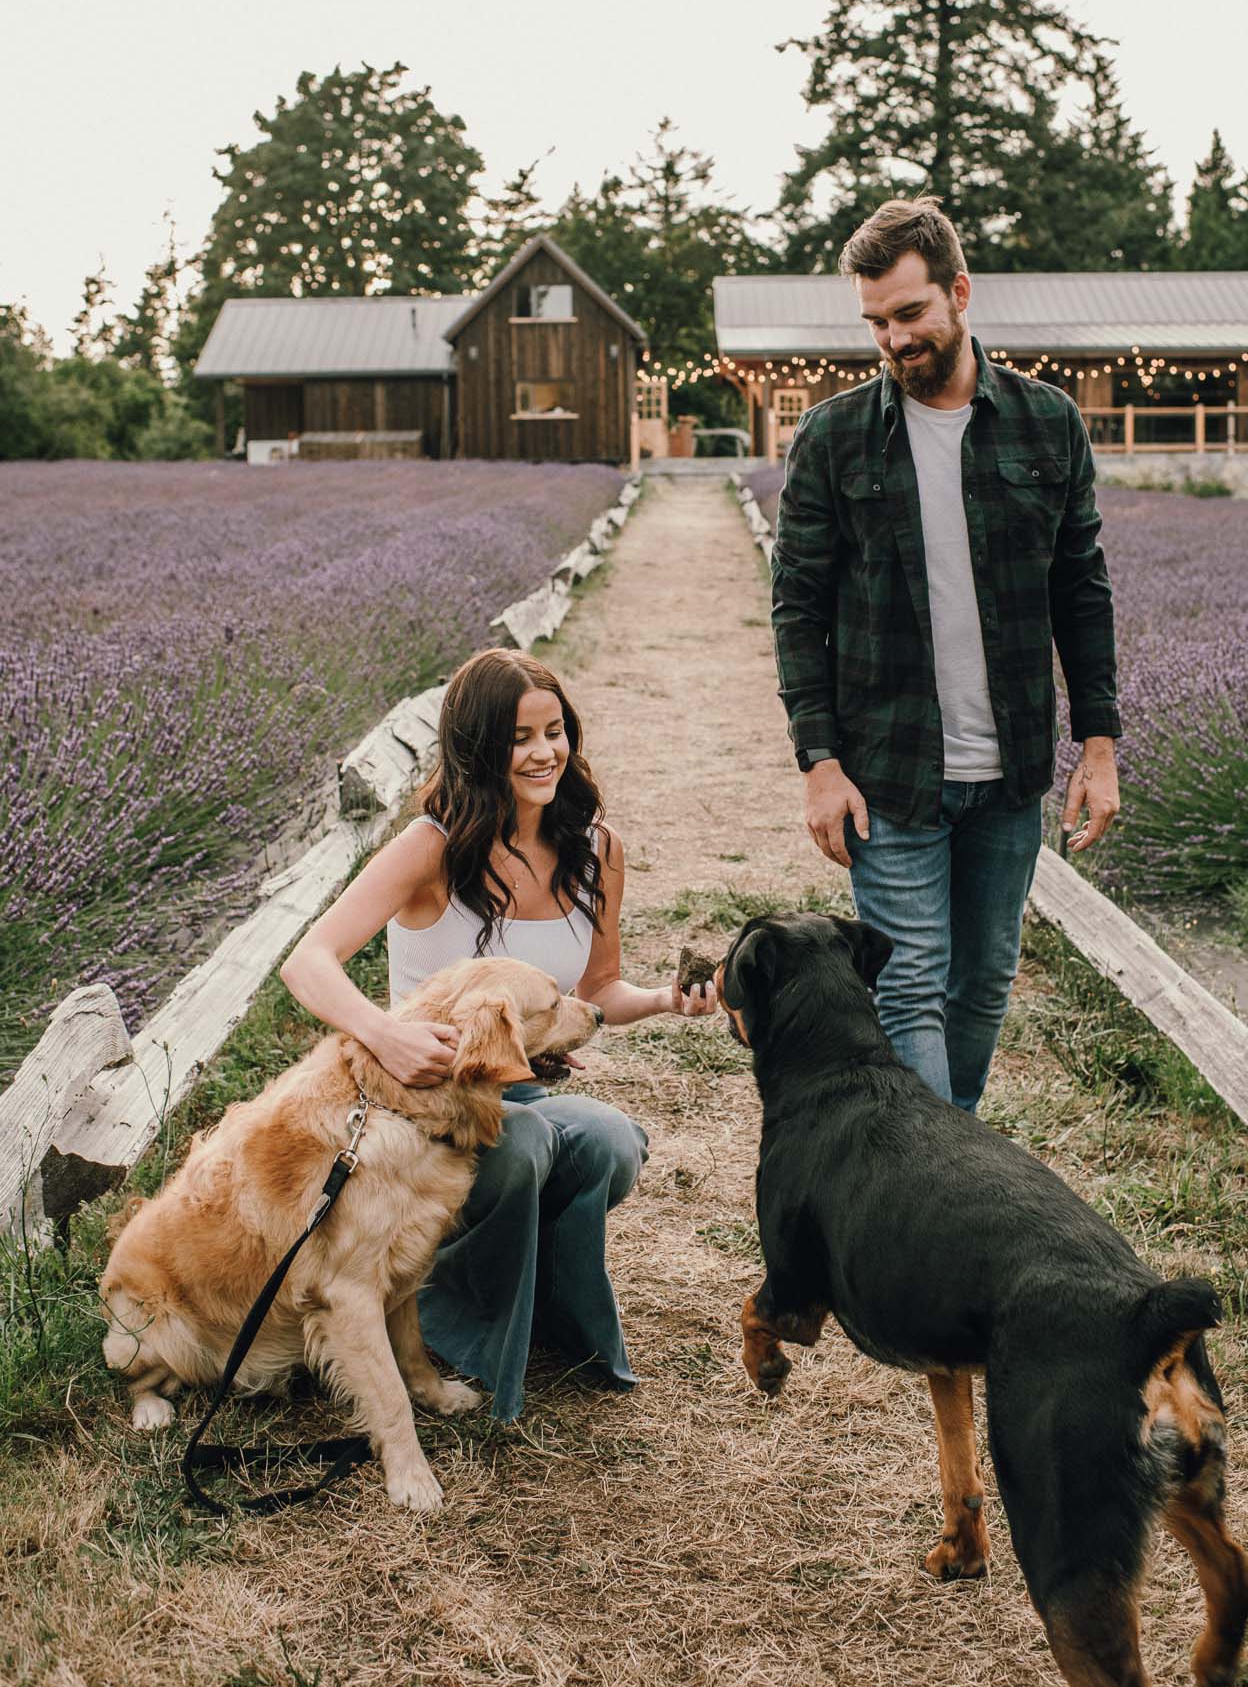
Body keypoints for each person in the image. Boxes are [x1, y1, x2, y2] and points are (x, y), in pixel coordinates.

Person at [281, 647, 715, 1421]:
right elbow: (307, 962)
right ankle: (447, 1323)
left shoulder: (595, 848)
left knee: (610, 1140)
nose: (545, 753)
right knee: (520, 1148)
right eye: (520, 737)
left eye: (555, 732)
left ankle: (548, 1310)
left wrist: (658, 1001)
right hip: (420, 1115)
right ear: (478, 745)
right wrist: (384, 1034)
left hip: (516, 1099)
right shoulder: (431, 847)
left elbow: (596, 990)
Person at [771, 196, 1120, 1113]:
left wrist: (1098, 747)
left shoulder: (1047, 425)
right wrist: (819, 762)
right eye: (876, 322)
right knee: (910, 982)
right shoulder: (833, 439)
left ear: (958, 292)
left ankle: (937, 1180)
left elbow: (1079, 594)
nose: (892, 338)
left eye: (910, 313)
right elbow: (796, 609)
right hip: (887, 767)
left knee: (982, 985)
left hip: (1007, 771)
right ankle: (943, 1193)